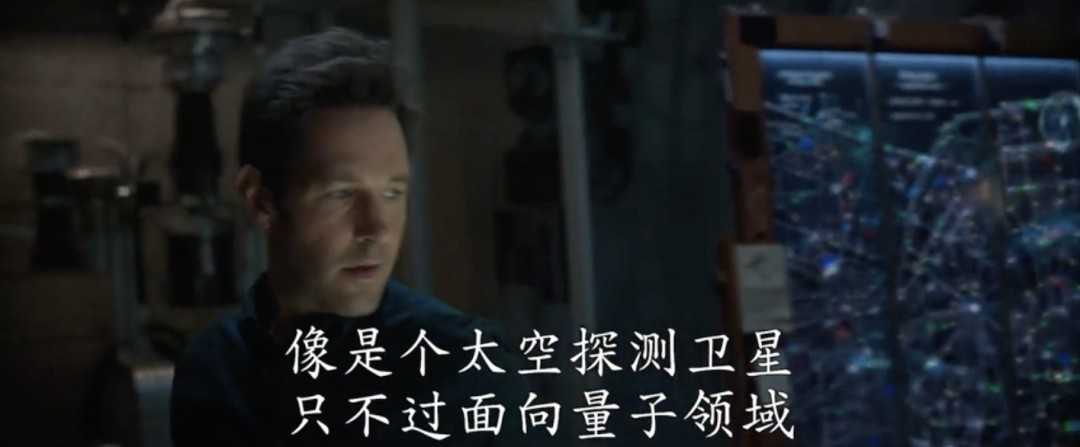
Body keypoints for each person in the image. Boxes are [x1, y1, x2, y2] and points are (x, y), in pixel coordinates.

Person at [170, 28, 532, 446]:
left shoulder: (469, 369)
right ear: (260, 199)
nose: (376, 229)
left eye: (392, 193)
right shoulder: (213, 371)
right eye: (341, 194)